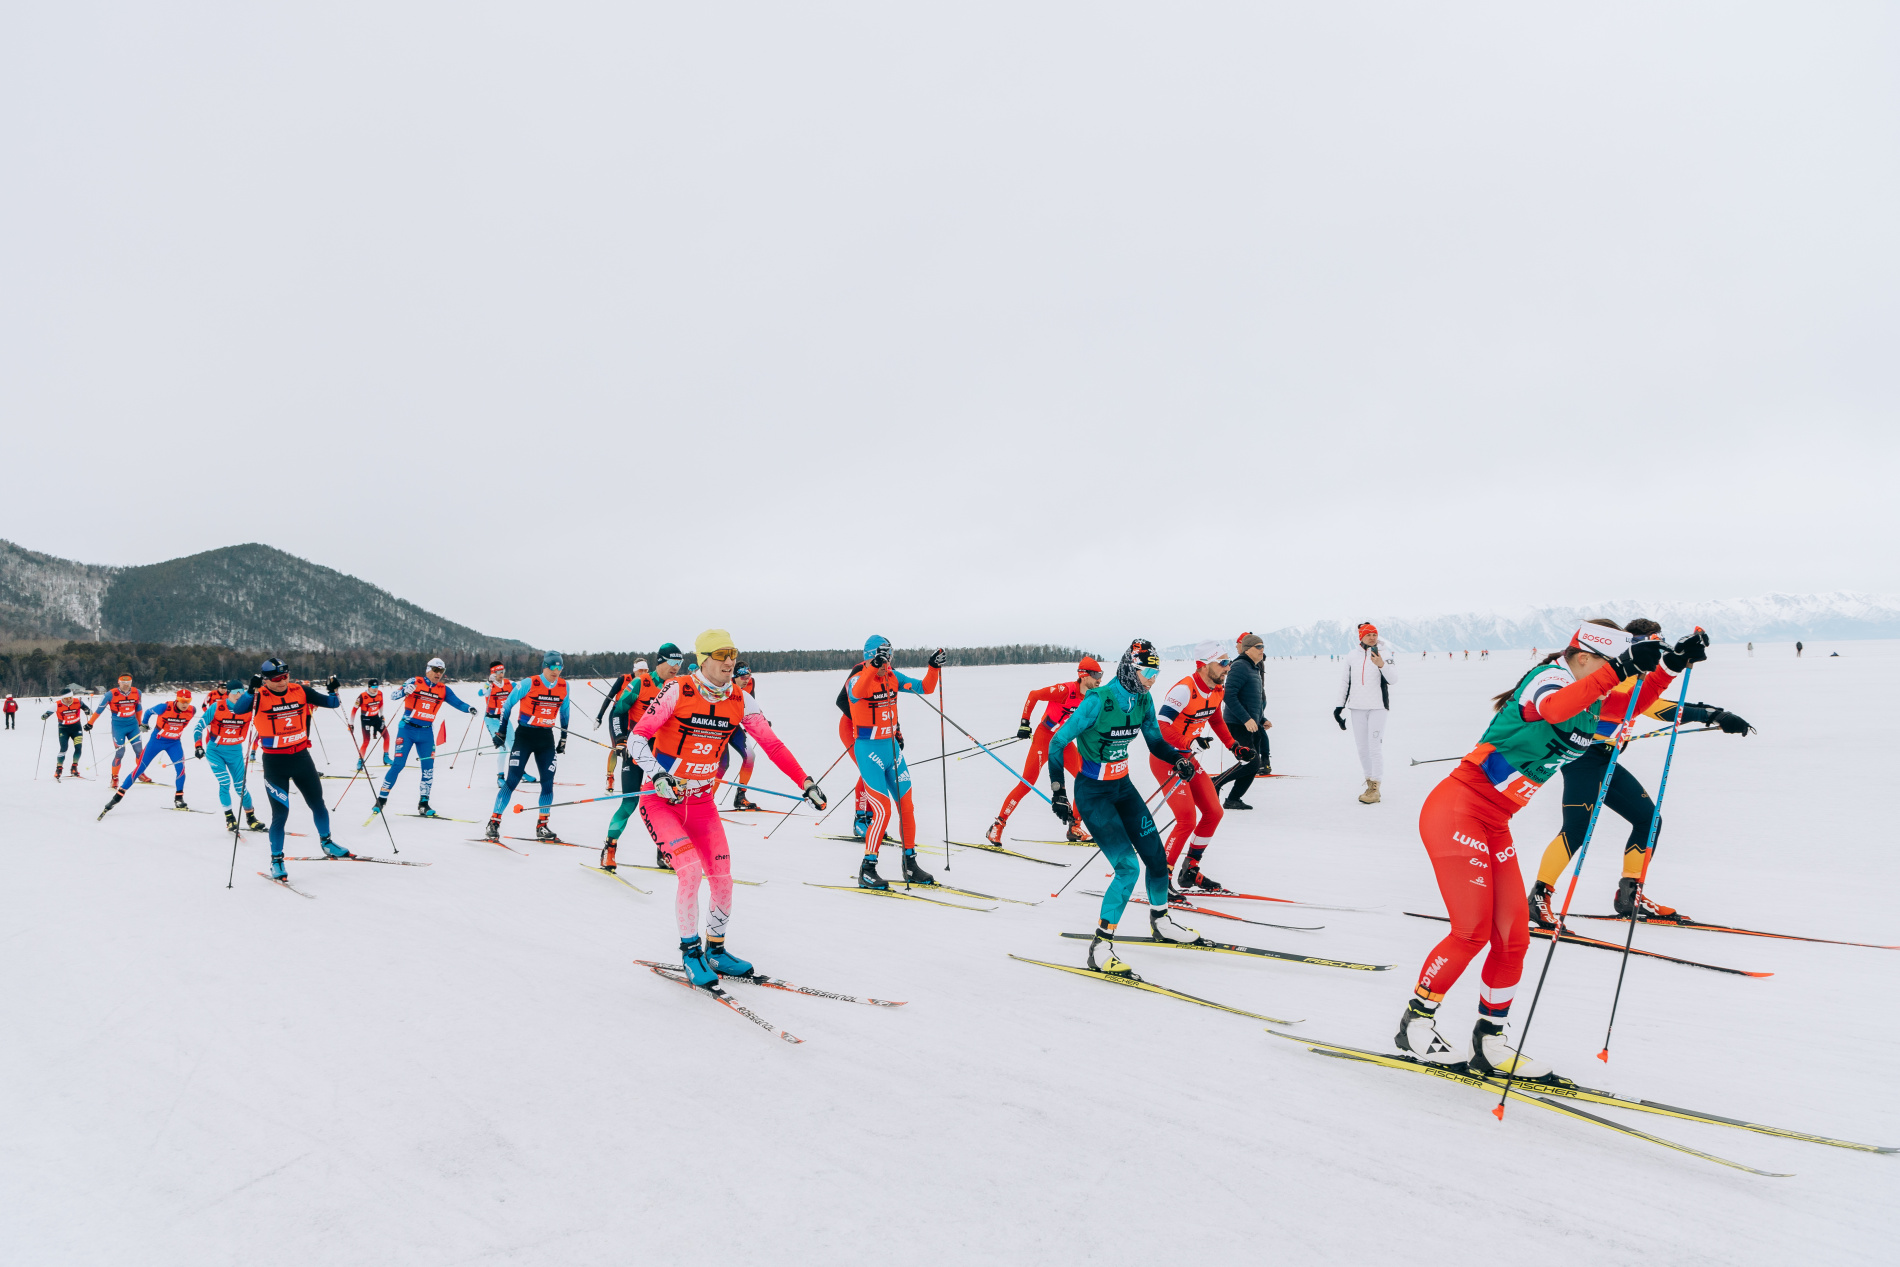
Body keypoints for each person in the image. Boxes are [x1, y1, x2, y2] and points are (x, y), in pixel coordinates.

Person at [1395, 620, 1701, 1080]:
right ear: (1584, 657)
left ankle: (1491, 1040)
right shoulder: (1550, 679)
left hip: (1495, 823)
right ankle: (1416, 1022)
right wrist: (1618, 668)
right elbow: (1555, 710)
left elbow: (1628, 705)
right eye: (1609, 665)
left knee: (1514, 936)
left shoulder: (1591, 692)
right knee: (1472, 930)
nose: (1615, 677)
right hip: (1457, 811)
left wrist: (1671, 666)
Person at [629, 629, 827, 985]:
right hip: (662, 801)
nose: (729, 661)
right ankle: (691, 953)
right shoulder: (679, 689)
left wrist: (806, 782)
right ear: (703, 659)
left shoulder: (741, 698)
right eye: (721, 655)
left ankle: (715, 951)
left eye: (732, 654)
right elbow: (637, 737)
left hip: (702, 803)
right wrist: (657, 774)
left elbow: (772, 744)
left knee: (722, 879)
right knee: (689, 871)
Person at [1528, 620, 1744, 926]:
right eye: (1651, 643)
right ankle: (1539, 897)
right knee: (1577, 829)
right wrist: (1710, 714)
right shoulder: (1616, 676)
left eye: (1660, 642)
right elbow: (1656, 707)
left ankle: (1630, 894)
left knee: (1648, 819)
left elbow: (1654, 699)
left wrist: (1712, 713)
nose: (1657, 650)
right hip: (1583, 758)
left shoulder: (1634, 675)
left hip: (1606, 758)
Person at [1048, 640, 1202, 974]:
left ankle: (1160, 921)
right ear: (1129, 668)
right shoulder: (1097, 701)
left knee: (1157, 858)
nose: (1151, 680)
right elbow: (1057, 742)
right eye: (1147, 672)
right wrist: (1059, 791)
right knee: (1128, 867)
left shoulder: (1143, 700)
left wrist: (1178, 758)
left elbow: (1156, 742)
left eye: (1156, 673)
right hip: (1093, 794)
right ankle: (1100, 944)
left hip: (1123, 787)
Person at [219, 659, 349, 876]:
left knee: (318, 803)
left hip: (301, 759)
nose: (282, 682)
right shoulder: (259, 696)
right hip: (275, 763)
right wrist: (251, 690)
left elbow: (332, 703)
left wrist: (334, 690)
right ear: (266, 680)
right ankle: (277, 860)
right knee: (281, 814)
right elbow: (239, 710)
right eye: (276, 679)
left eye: (285, 677)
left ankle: (327, 842)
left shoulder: (300, 690)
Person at [845, 635, 945, 889]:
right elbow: (857, 693)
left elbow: (926, 687)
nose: (888, 660)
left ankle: (910, 864)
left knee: (907, 806)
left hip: (891, 750)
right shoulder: (857, 678)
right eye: (883, 654)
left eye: (890, 654)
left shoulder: (892, 677)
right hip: (869, 751)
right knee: (883, 810)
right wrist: (871, 668)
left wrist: (933, 667)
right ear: (871, 655)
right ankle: (867, 868)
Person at [1155, 643, 1250, 890]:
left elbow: (1216, 719)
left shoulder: (1217, 689)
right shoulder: (1184, 689)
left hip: (1188, 758)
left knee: (1214, 812)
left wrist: (1234, 746)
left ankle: (1190, 869)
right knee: (1186, 819)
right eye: (1223, 663)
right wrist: (1189, 741)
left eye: (1229, 662)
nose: (1228, 668)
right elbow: (1161, 727)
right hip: (1166, 757)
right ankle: (1160, 879)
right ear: (1204, 664)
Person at [983, 655, 1102, 845]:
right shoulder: (1064, 690)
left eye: (1101, 674)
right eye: (1096, 674)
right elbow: (1034, 695)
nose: (1100, 678)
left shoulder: (1092, 697)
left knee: (1084, 778)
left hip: (1063, 742)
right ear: (1083, 675)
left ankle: (1075, 827)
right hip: (1044, 738)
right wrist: (1024, 723)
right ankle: (997, 825)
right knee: (1026, 783)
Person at [374, 657, 482, 819]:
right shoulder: (415, 681)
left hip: (426, 733)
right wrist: (405, 691)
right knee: (398, 765)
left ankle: (423, 804)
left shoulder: (443, 689)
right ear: (428, 669)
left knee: (428, 769)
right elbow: (394, 695)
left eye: (442, 671)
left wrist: (469, 708)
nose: (439, 674)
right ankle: (381, 799)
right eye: (436, 670)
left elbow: (457, 703)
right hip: (407, 730)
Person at [601, 651, 681, 870]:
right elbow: (617, 712)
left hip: (663, 751)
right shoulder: (641, 682)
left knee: (666, 801)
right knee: (630, 802)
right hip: (637, 748)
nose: (676, 667)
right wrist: (620, 739)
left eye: (680, 663)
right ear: (661, 662)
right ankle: (609, 849)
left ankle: (664, 852)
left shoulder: (678, 687)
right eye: (673, 662)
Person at [486, 651, 571, 842]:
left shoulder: (564, 686)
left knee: (548, 782)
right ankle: (494, 822)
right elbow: (507, 705)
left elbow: (565, 713)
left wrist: (563, 739)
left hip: (546, 739)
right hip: (525, 736)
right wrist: (501, 732)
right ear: (545, 666)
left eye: (560, 667)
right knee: (513, 780)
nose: (556, 671)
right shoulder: (529, 683)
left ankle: (542, 825)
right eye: (553, 667)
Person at [100, 688, 196, 813]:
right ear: (177, 699)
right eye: (182, 701)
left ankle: (179, 798)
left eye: (187, 701)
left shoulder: (192, 710)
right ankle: (117, 797)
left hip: (174, 743)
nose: (185, 704)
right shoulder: (164, 707)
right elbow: (148, 712)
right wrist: (144, 724)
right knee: (140, 768)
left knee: (181, 769)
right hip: (157, 742)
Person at [1333, 622, 1394, 805]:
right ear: (1361, 637)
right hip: (1357, 707)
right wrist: (1339, 707)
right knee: (1362, 749)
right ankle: (1369, 783)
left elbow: (1394, 679)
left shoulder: (1385, 654)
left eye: (1374, 634)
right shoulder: (1352, 656)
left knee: (1374, 747)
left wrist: (1381, 664)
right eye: (1368, 634)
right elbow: (1346, 682)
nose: (1372, 637)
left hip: (1378, 707)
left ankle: (1376, 789)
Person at [194, 679, 265, 832]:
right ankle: (230, 818)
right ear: (228, 694)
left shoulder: (249, 708)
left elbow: (263, 721)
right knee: (225, 782)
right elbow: (199, 726)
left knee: (241, 787)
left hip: (235, 752)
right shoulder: (217, 706)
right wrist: (198, 746)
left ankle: (251, 818)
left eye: (241, 692)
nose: (239, 695)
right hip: (215, 751)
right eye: (235, 692)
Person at [1212, 632, 1270, 807]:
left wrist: (1262, 718)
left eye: (1263, 647)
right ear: (1248, 649)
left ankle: (1233, 799)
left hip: (1252, 724)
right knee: (1251, 762)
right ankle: (1216, 782)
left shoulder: (1254, 667)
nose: (1262, 650)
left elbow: (1253, 699)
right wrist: (1246, 719)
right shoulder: (1239, 666)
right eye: (1258, 647)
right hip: (1237, 723)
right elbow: (1228, 696)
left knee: (1254, 763)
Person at [88, 672, 150, 786]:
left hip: (133, 726)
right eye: (123, 682)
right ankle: (114, 778)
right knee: (120, 753)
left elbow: (138, 708)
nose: (126, 684)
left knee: (139, 751)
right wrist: (90, 723)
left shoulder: (137, 692)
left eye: (128, 682)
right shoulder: (110, 694)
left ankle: (140, 773)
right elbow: (99, 710)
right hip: (118, 727)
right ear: (119, 682)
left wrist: (141, 723)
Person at [726, 662, 762, 811]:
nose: (746, 679)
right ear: (734, 677)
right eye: (742, 676)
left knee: (750, 756)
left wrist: (760, 720)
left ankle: (741, 796)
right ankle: (706, 800)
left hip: (733, 727)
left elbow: (750, 705)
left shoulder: (750, 684)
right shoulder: (724, 684)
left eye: (748, 675)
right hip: (716, 728)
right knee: (722, 764)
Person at [48, 685, 88, 779]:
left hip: (76, 727)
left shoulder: (78, 701)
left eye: (70, 697)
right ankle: (59, 768)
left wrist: (88, 711)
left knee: (78, 747)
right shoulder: (57, 704)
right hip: (63, 729)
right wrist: (45, 715)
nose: (69, 700)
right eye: (66, 698)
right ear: (63, 698)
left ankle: (74, 767)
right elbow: (48, 712)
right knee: (63, 748)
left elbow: (86, 708)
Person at [351, 678, 390, 769]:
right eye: (373, 687)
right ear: (369, 687)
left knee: (386, 736)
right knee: (366, 741)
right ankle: (360, 761)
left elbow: (381, 704)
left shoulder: (380, 693)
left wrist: (382, 715)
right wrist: (351, 724)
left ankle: (386, 757)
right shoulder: (362, 696)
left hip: (376, 718)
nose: (375, 689)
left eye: (377, 686)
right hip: (366, 719)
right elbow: (354, 710)